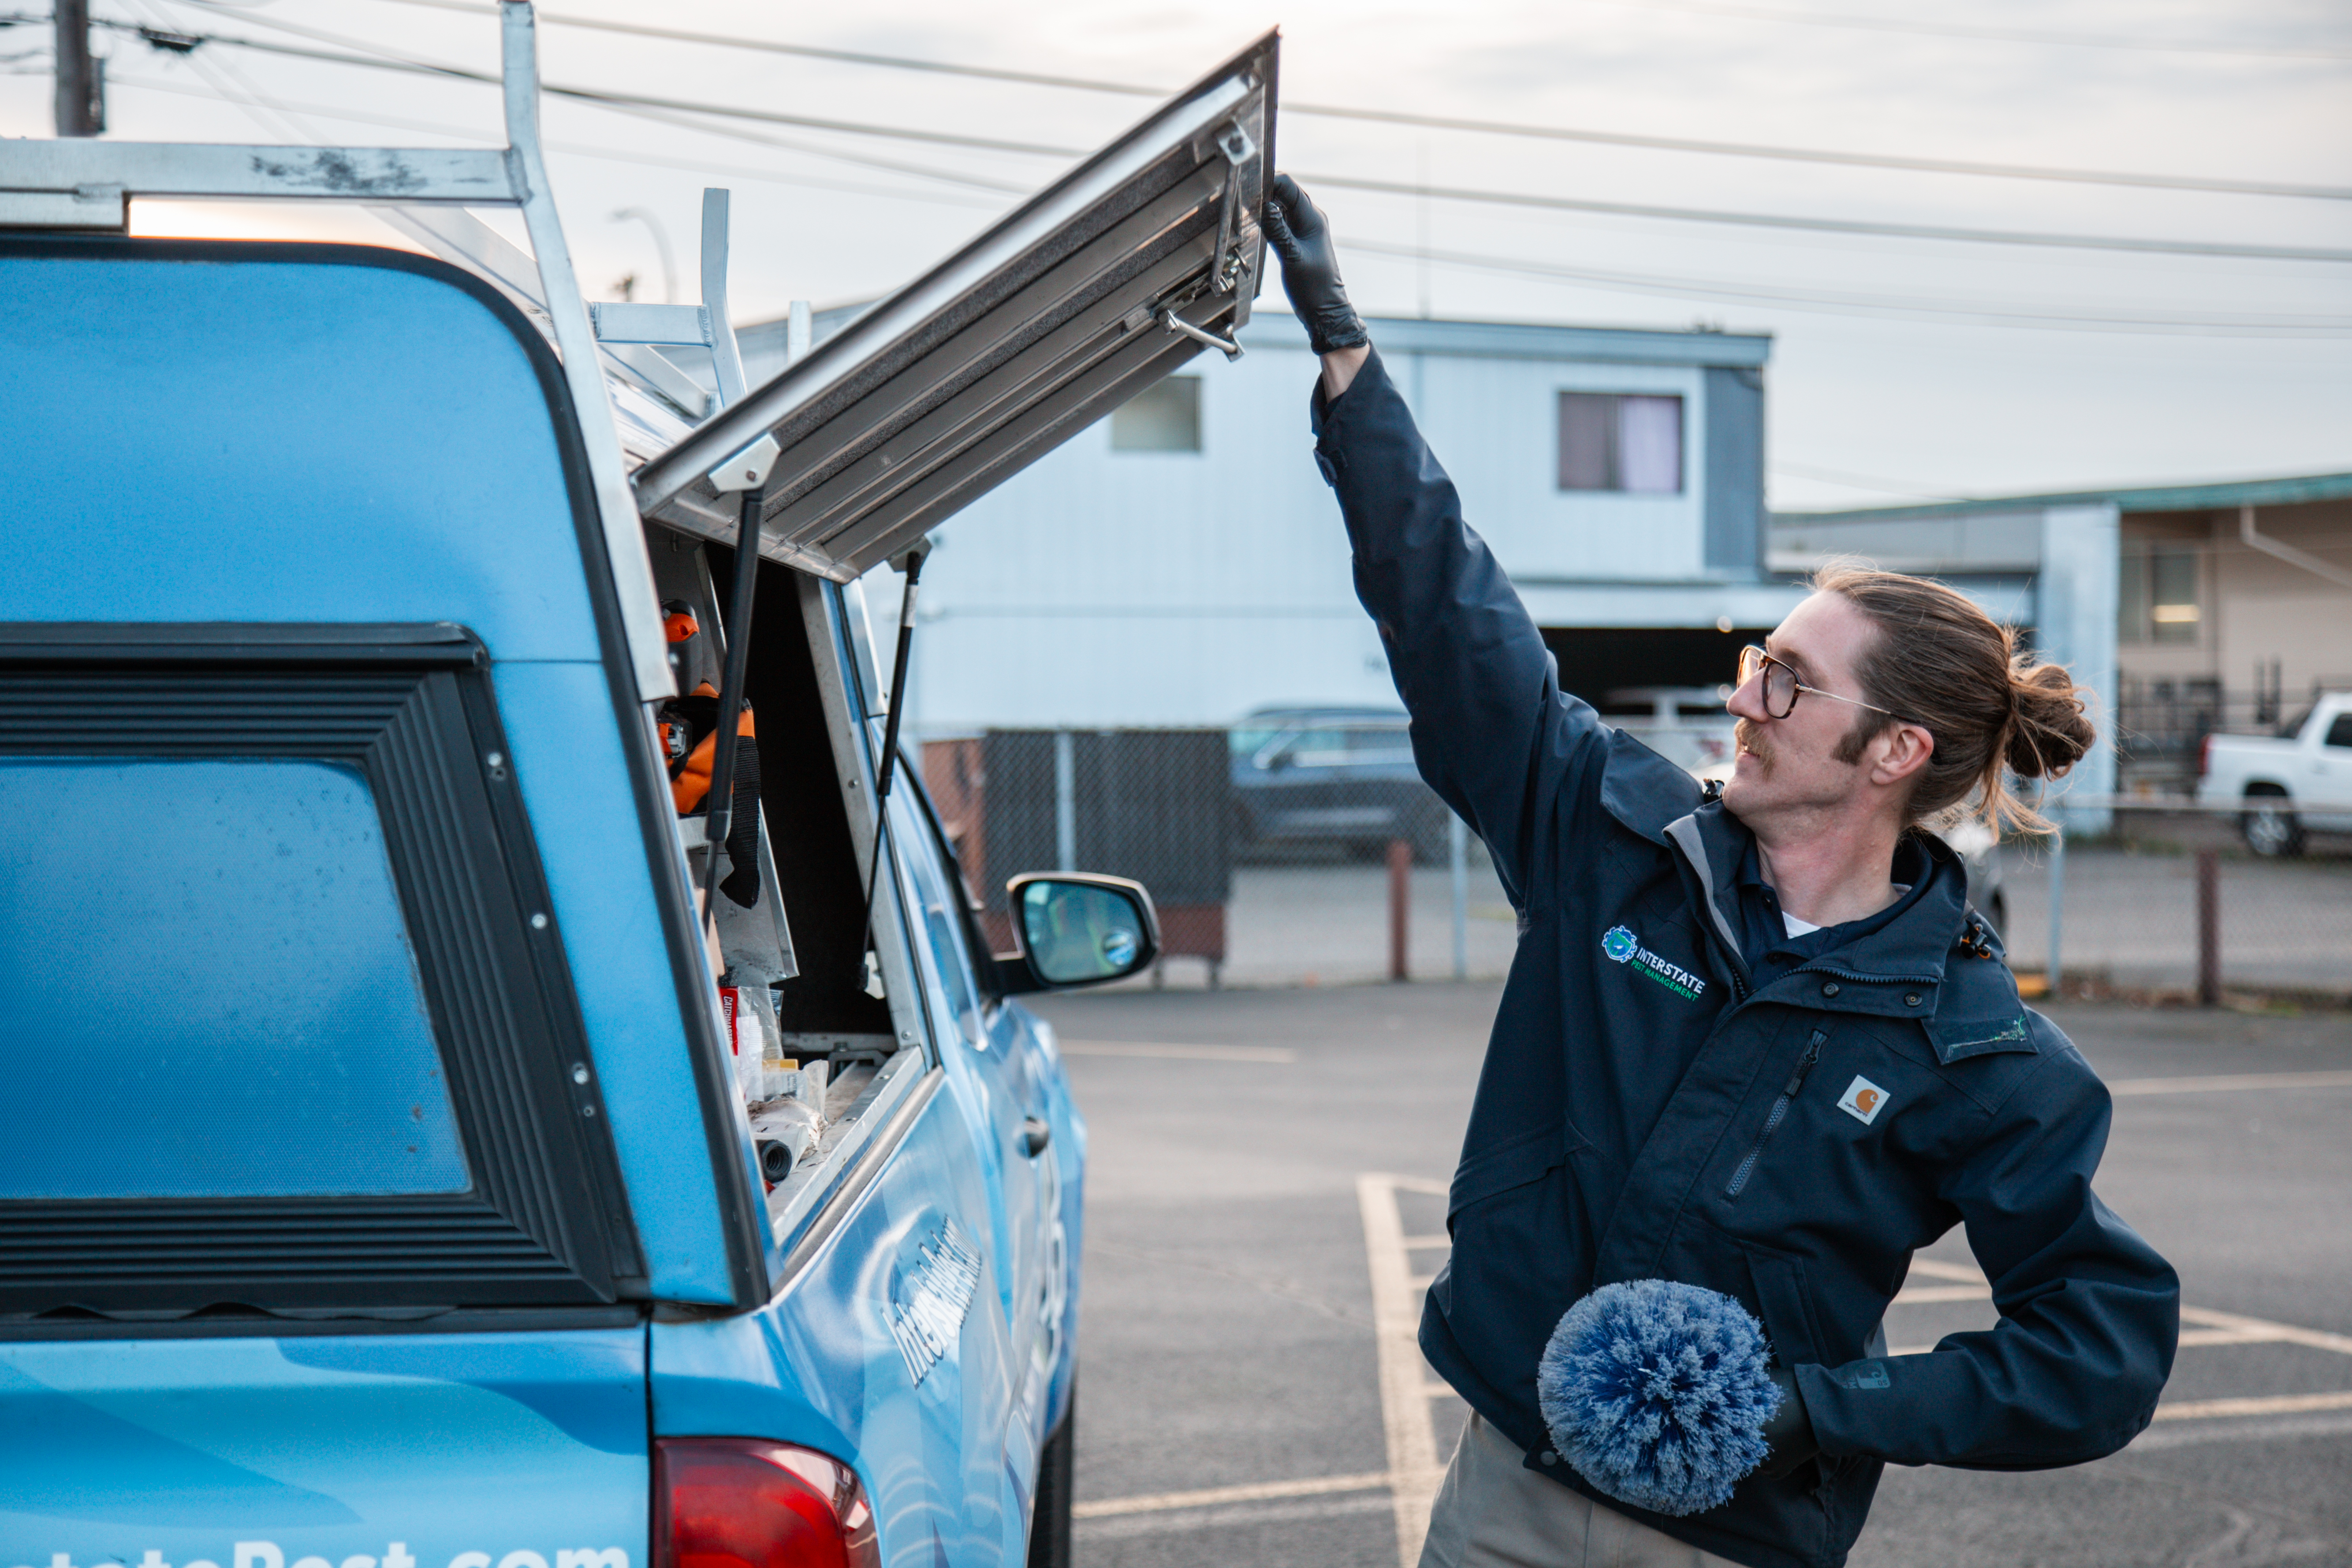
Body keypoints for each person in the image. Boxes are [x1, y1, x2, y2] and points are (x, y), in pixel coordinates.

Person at [1260, 175, 2179, 1568]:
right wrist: (1347, 364)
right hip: (1502, 1499)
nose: (1744, 699)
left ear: (1893, 751)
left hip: (1738, 1545)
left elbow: (2100, 1344)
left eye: (1789, 684)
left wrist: (1827, 1410)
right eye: (1760, 664)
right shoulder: (1613, 841)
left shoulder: (1974, 1046)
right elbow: (1457, 624)